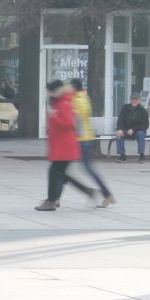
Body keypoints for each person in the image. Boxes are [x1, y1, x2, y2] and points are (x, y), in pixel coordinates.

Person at [35, 80, 94, 211]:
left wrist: (53, 117)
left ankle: (51, 200)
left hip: (65, 147)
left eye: (49, 91)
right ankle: (86, 192)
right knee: (61, 174)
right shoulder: (58, 103)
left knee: (55, 173)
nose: (47, 94)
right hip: (61, 146)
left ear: (55, 91)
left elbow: (68, 124)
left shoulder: (64, 104)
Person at [71, 79, 115, 207]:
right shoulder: (85, 98)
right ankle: (106, 194)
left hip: (81, 140)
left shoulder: (76, 100)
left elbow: (76, 120)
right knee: (85, 168)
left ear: (74, 88)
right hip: (87, 138)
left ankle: (106, 194)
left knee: (83, 169)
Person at [115, 91, 150, 163]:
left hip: (137, 131)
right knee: (119, 133)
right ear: (130, 100)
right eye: (132, 99)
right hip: (126, 130)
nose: (134, 101)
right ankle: (122, 155)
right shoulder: (125, 107)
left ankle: (142, 155)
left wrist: (133, 129)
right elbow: (120, 119)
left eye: (136, 99)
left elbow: (145, 125)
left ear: (139, 100)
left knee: (141, 134)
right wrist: (119, 129)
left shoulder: (143, 110)